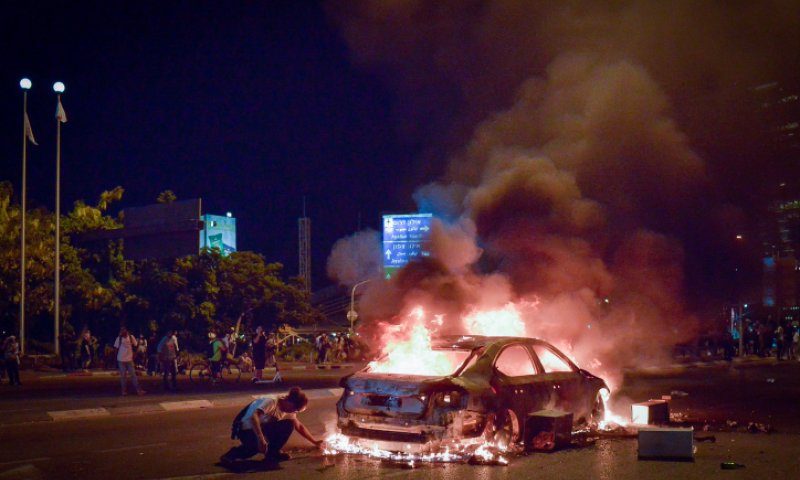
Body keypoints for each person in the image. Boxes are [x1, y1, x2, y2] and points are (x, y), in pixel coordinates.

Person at [220, 387, 323, 465]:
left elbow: (299, 426)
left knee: (289, 424)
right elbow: (254, 417)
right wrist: (261, 439)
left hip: (261, 428)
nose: (294, 412)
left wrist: (315, 442)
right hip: (246, 429)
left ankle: (272, 454)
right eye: (295, 409)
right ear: (290, 402)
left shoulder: (288, 409)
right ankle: (231, 454)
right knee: (252, 450)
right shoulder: (271, 401)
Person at [113, 326, 145, 396]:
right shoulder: (119, 338)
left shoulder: (131, 337)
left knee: (133, 375)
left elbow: (136, 345)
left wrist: (135, 354)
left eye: (123, 330)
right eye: (121, 330)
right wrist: (116, 358)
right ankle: (124, 391)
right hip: (121, 359)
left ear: (127, 330)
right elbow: (115, 348)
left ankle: (138, 390)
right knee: (123, 376)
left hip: (129, 359)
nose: (122, 331)